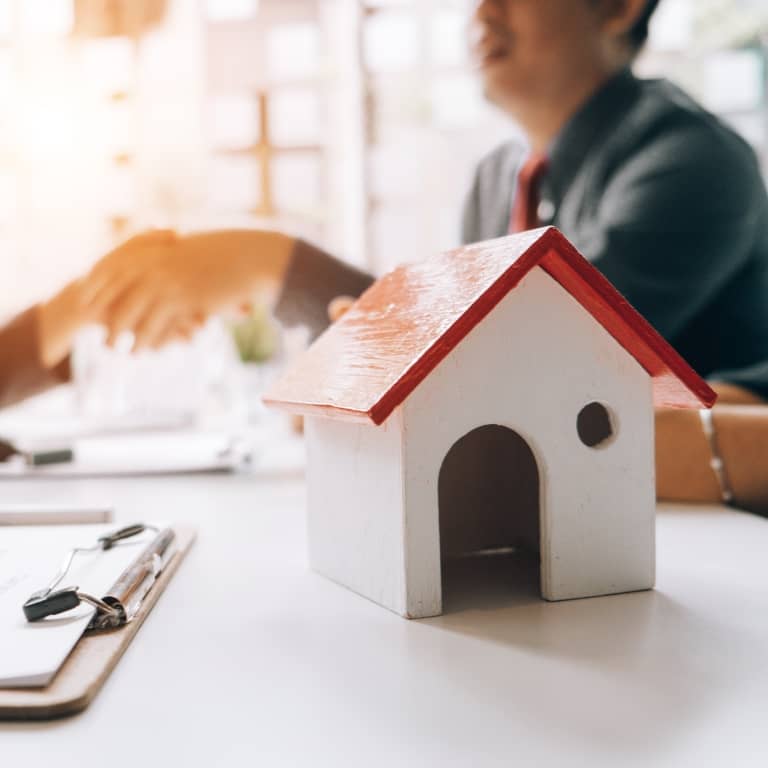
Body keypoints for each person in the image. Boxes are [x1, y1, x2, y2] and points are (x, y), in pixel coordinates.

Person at [83, 0, 768, 513]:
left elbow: (531, 357)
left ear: (620, 6)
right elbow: (459, 369)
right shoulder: (499, 176)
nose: (482, 9)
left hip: (693, 538)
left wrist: (271, 262)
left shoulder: (696, 163)